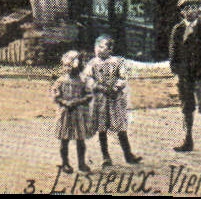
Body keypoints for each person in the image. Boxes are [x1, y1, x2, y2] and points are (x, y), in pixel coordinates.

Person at [81, 35, 140, 166]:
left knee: (120, 126)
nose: (99, 50)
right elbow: (87, 79)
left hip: (115, 99)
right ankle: (106, 157)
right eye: (97, 47)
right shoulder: (92, 64)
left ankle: (128, 154)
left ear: (110, 50)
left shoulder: (117, 62)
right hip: (100, 99)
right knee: (102, 127)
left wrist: (115, 88)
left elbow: (123, 77)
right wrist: (99, 87)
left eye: (103, 47)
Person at [169, 0, 201, 154]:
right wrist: (176, 72)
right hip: (185, 76)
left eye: (194, 8)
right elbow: (173, 54)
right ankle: (187, 138)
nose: (191, 11)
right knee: (186, 107)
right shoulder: (178, 30)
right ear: (182, 12)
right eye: (187, 9)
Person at [51, 50, 92, 173]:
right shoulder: (61, 81)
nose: (69, 69)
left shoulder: (83, 81)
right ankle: (65, 163)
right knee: (64, 139)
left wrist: (78, 102)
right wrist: (64, 102)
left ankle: (81, 163)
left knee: (80, 140)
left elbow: (89, 95)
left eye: (72, 66)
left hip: (79, 113)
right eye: (66, 66)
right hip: (65, 113)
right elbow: (55, 95)